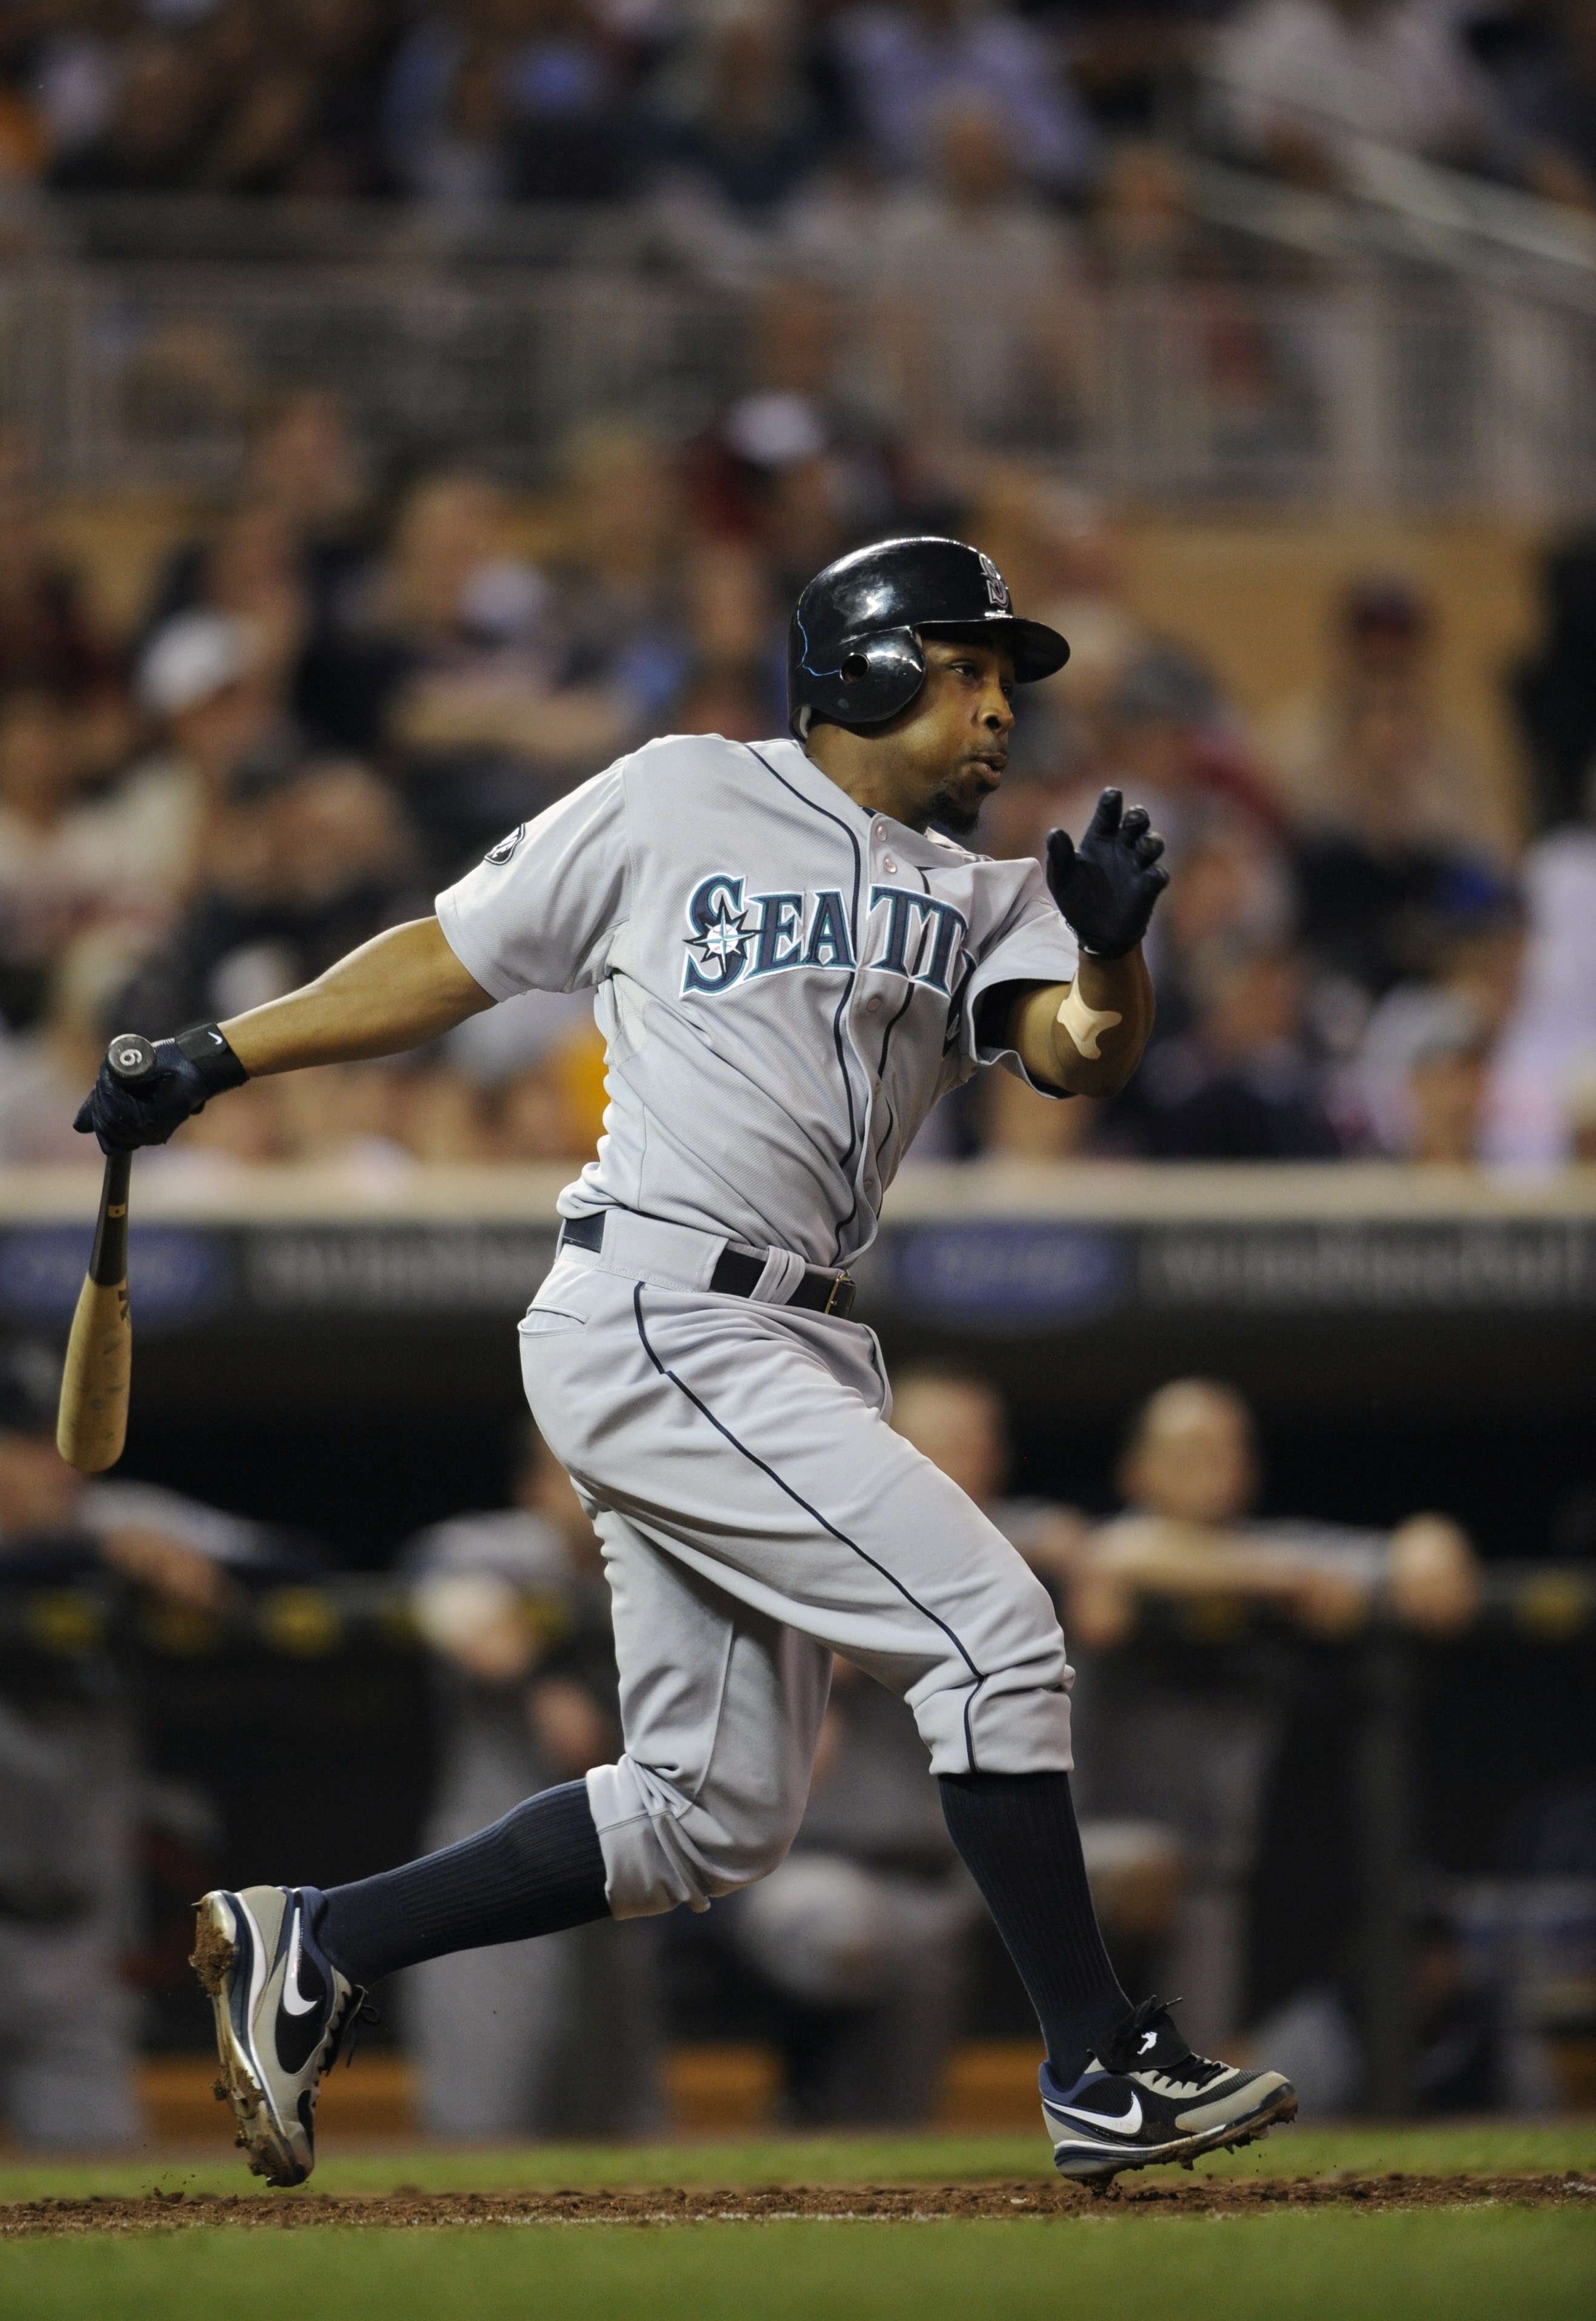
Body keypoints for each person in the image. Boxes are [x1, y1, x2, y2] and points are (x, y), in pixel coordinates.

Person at [75, 532, 1297, 2191]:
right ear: (861, 667)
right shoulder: (676, 798)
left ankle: (319, 1940)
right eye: (966, 668)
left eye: (1007, 678)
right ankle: (1096, 2063)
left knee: (707, 1819)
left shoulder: (996, 892)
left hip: (799, 1337)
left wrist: (1111, 955)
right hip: (662, 1305)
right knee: (997, 1639)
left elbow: (1080, 1054)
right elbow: (453, 950)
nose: (1002, 708)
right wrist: (220, 1053)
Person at [0, 1338, 289, 2152]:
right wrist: (100, 1558)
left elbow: (296, 1563)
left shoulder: (122, 1521)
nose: (63, 1468)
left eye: (70, 1443)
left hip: (77, 1927)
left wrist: (198, 1572)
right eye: (35, 1446)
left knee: (103, 2172)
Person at [1065, 1378, 1480, 2056]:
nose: (1216, 1467)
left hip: (1214, 1883)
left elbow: (1409, 1555)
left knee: (1208, 1909)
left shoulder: (1267, 1546)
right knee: (1163, 1868)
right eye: (1191, 1451)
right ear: (1137, 1471)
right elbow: (1118, 1555)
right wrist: (1284, 1580)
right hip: (1080, 1856)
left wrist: (1432, 1538)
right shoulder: (1125, 1549)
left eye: (1229, 1451)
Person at [399, 1428, 656, 2138]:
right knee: (482, 2126)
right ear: (534, 1488)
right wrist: (544, 1681)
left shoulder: (660, 1558)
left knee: (623, 2135)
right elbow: (452, 1603)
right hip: (492, 1893)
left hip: (619, 1895)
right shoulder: (502, 1546)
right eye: (573, 1471)